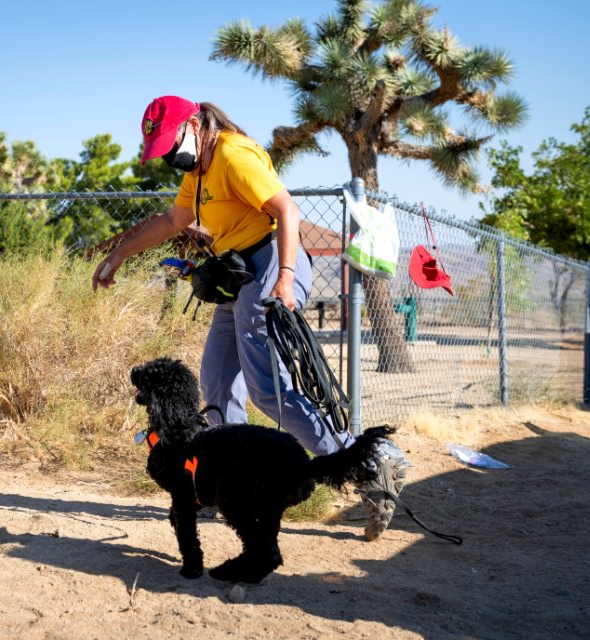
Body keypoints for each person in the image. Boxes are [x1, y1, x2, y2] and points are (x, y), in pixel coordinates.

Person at [92, 95, 410, 541]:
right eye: (161, 150)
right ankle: (231, 481)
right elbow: (171, 220)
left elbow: (287, 211)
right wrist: (120, 253)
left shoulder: (231, 155)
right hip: (238, 272)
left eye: (171, 143)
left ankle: (368, 464)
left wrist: (282, 277)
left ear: (195, 124)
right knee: (218, 385)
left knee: (268, 389)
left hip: (270, 263)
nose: (168, 155)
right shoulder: (198, 170)